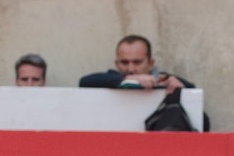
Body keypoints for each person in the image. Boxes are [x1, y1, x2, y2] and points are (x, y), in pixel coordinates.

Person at [79, 34, 209, 131]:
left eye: (137, 62)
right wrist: (126, 80)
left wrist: (181, 91)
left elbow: (203, 123)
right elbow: (84, 82)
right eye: (124, 62)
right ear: (117, 64)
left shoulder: (167, 81)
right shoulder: (110, 80)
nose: (130, 68)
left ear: (151, 63)